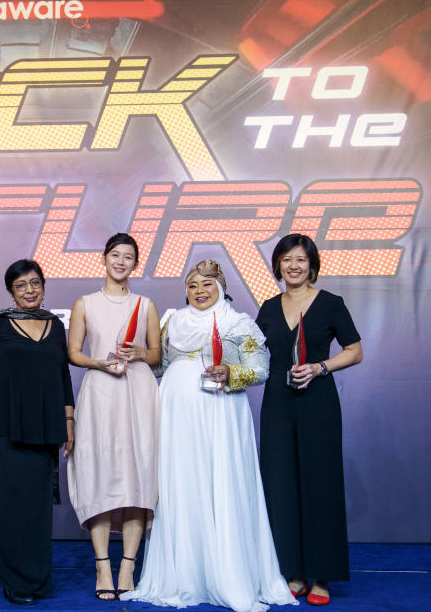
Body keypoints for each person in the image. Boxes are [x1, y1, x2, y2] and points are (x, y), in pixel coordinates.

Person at [123, 259, 296, 612]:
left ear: (220, 288)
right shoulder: (173, 320)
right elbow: (163, 365)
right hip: (174, 413)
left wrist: (230, 372)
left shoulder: (237, 322)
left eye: (207, 285)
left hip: (219, 412)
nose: (200, 292)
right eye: (193, 286)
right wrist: (142, 357)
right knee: (180, 484)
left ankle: (227, 572)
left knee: (221, 483)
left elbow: (260, 369)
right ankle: (182, 574)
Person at [255, 234, 363, 606]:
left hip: (318, 401)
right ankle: (293, 571)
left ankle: (321, 575)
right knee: (280, 483)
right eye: (287, 259)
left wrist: (321, 367)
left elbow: (355, 350)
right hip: (277, 404)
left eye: (301, 259)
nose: (294, 266)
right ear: (278, 265)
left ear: (312, 264)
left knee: (321, 484)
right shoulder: (268, 307)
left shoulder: (331, 304)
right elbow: (252, 355)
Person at [0, 259, 75, 606]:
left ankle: (38, 581)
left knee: (36, 511)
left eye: (35, 283)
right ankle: (15, 583)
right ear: (11, 292)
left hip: (45, 432)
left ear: (43, 286)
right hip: (3, 432)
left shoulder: (55, 326)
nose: (29, 290)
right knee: (9, 509)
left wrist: (69, 422)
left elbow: (63, 378)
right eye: (21, 285)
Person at [66, 233, 161, 601]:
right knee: (101, 473)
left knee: (138, 473)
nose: (121, 262)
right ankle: (103, 562)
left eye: (128, 257)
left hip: (137, 391)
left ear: (135, 264)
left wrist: (139, 353)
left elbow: (156, 355)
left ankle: (128, 564)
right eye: (115, 255)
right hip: (101, 390)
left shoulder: (146, 304)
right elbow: (74, 352)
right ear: (103, 258)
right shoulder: (85, 303)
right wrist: (99, 362)